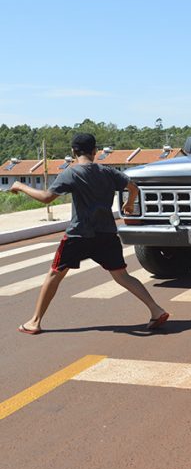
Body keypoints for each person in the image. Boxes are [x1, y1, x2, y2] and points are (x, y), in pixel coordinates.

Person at [10, 133, 169, 334]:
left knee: (54, 274)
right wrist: (128, 204)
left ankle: (35, 321)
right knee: (122, 275)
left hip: (79, 235)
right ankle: (156, 309)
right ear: (95, 152)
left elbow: (46, 197)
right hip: (106, 234)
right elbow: (133, 188)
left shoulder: (71, 173)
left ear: (73, 152)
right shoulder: (108, 172)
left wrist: (20, 185)